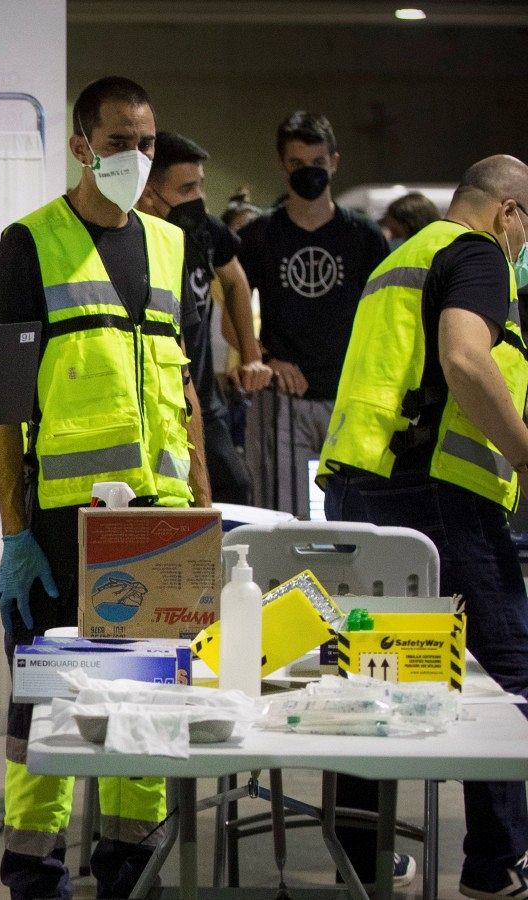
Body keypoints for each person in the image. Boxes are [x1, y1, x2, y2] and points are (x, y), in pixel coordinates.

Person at [0, 75, 211, 900]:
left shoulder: (171, 241)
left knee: (145, 712)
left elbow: (184, 394)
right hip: (61, 524)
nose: (136, 156)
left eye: (147, 141)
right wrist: (12, 529)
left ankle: (129, 871)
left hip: (160, 522)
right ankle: (34, 876)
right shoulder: (29, 244)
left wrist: (201, 508)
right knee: (46, 711)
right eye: (119, 141)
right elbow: (2, 408)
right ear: (81, 144)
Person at [319, 155, 528, 896]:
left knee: (367, 671)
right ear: (507, 213)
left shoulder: (402, 258)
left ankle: (363, 860)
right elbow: (465, 360)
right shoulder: (477, 255)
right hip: (436, 492)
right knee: (506, 670)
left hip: (360, 486)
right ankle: (497, 863)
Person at [236, 111, 389, 517]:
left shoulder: (363, 236)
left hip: (350, 395)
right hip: (284, 399)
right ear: (282, 165)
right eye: (297, 164)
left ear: (334, 162)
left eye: (318, 163)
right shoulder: (260, 234)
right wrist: (266, 359)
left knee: (357, 516)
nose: (309, 173)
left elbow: (384, 319)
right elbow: (230, 321)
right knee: (285, 518)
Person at [137, 131, 272, 504]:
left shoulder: (205, 231)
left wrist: (250, 354)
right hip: (153, 405)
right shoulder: (132, 240)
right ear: (149, 193)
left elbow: (235, 281)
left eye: (201, 187)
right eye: (187, 189)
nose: (199, 199)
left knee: (234, 488)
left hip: (203, 401)